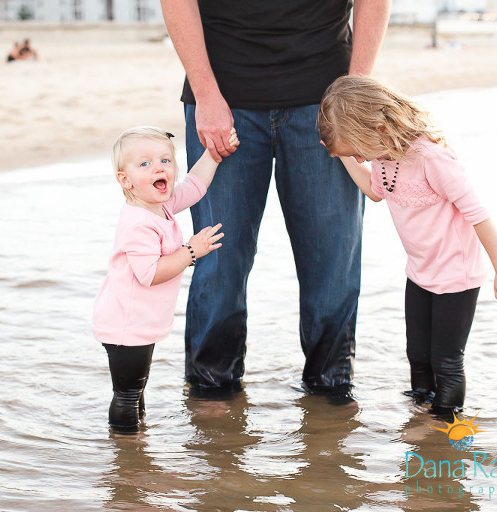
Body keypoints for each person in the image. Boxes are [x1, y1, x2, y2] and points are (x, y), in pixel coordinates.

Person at [159, 0, 391, 394]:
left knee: (332, 262)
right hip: (223, 97)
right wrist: (206, 93)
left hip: (325, 99)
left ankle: (330, 392)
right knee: (218, 261)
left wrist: (353, 95)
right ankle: (211, 389)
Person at [317, 74, 497, 416]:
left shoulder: (432, 159)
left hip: (457, 276)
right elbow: (374, 191)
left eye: (357, 148)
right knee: (417, 353)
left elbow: (478, 213)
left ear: (376, 129)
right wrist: (343, 155)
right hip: (419, 271)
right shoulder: (384, 156)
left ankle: (444, 425)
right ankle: (419, 410)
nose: (359, 156)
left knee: (446, 360)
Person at [93, 126, 239, 433]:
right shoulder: (139, 223)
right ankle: (127, 453)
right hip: (125, 324)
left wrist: (213, 155)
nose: (159, 167)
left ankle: (136, 441)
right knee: (128, 394)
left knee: (136, 390)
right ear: (125, 180)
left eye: (165, 160)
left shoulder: (161, 206)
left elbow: (195, 186)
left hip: (137, 323)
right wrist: (191, 251)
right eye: (144, 164)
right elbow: (149, 274)